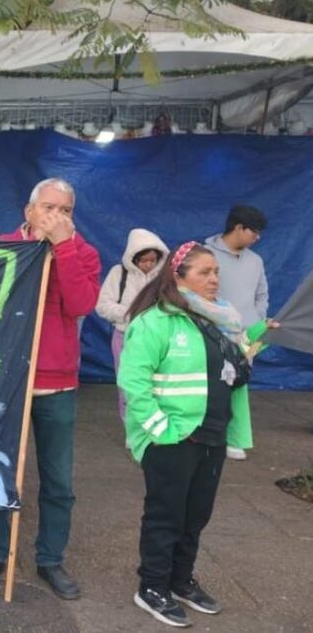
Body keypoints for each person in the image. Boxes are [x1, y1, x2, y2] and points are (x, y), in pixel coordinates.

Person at [118, 241, 272, 627]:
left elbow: (232, 371)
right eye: (204, 272)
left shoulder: (219, 320)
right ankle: (151, 586)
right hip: (172, 439)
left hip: (213, 436)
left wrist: (257, 339)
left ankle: (179, 580)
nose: (214, 279)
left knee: (195, 515)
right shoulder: (154, 321)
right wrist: (159, 431)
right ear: (178, 276)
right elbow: (133, 382)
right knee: (165, 515)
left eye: (215, 272)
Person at [0, 178, 100, 600]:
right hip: (8, 383)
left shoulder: (84, 253)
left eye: (65, 210)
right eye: (48, 207)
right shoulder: (3, 248)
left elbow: (81, 305)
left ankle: (50, 559)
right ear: (28, 211)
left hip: (57, 385)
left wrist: (62, 248)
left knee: (57, 480)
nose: (56, 216)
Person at [203, 205, 268, 461]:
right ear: (239, 227)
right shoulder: (206, 254)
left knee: (239, 384)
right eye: (254, 231)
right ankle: (208, 434)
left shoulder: (256, 260)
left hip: (247, 336)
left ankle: (235, 438)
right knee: (211, 384)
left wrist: (256, 318)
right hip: (212, 332)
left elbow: (262, 294)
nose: (257, 237)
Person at [95, 229, 169, 436]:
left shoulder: (163, 277)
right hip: (125, 338)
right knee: (128, 387)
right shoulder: (119, 274)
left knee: (156, 385)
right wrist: (130, 314)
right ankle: (133, 430)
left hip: (157, 340)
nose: (149, 265)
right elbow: (102, 305)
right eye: (144, 260)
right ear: (133, 258)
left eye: (153, 260)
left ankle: (154, 428)